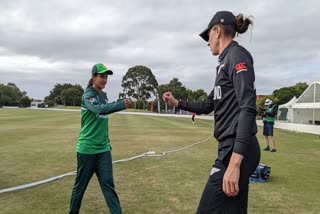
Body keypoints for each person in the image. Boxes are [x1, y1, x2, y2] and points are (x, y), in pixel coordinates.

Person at [163, 11, 260, 213]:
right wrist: (177, 102)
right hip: (229, 147)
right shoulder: (224, 63)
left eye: (207, 36)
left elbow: (248, 107)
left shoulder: (237, 56)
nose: (207, 42)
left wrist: (234, 164)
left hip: (237, 150)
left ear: (217, 31)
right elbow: (208, 105)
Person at [69, 63, 130, 214]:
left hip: (103, 151)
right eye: (101, 76)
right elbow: (98, 109)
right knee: (80, 188)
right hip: (87, 150)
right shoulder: (88, 95)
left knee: (109, 187)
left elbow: (104, 113)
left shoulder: (103, 95)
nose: (104, 79)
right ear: (93, 77)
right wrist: (120, 104)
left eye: (106, 77)